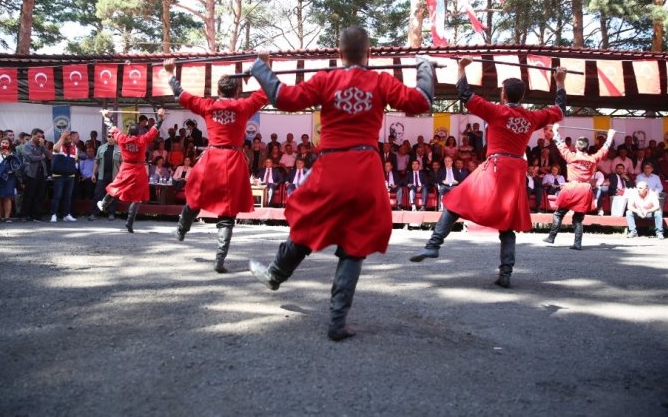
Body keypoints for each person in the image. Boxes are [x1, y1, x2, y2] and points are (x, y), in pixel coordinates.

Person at [247, 26, 434, 340]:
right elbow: (422, 100)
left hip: (331, 167)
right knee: (354, 245)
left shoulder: (325, 79)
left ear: (338, 53)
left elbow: (282, 97)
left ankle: (275, 275)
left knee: (308, 224)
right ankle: (337, 321)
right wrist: (424, 66)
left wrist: (260, 67)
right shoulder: (381, 81)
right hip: (365, 169)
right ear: (370, 54)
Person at [410, 57, 566, 289]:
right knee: (508, 224)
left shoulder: (497, 112)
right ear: (521, 97)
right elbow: (560, 110)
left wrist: (462, 67)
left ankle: (434, 245)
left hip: (496, 166)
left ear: (504, 95)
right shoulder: (532, 117)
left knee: (454, 201)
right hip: (516, 171)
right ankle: (506, 274)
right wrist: (560, 82)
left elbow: (465, 95)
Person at [165, 60, 268, 274]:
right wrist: (264, 65)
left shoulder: (208, 106)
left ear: (218, 90)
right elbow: (267, 90)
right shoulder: (243, 106)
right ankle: (219, 259)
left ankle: (182, 228)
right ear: (237, 90)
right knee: (227, 213)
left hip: (212, 158)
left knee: (195, 196)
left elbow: (180, 93)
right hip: (233, 159)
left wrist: (170, 72)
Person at [542, 125, 615, 250]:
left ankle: (551, 237)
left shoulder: (571, 156)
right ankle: (577, 243)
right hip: (584, 189)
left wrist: (555, 130)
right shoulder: (593, 159)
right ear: (587, 148)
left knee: (559, 214)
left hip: (572, 187)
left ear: (576, 146)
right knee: (578, 218)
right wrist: (610, 136)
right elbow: (604, 150)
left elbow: (560, 143)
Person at [97, 108, 166, 233]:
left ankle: (103, 204)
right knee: (137, 198)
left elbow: (112, 127)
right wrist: (160, 118)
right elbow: (154, 129)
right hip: (139, 170)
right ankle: (129, 223)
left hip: (126, 168)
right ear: (138, 132)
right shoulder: (142, 140)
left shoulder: (122, 139)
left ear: (128, 132)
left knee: (116, 187)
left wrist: (106, 116)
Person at [89, 134, 121, 221]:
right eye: (109, 136)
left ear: (115, 138)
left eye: (112, 137)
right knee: (98, 194)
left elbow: (122, 164)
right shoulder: (101, 148)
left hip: (114, 176)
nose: (110, 138)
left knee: (112, 195)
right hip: (102, 175)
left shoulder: (120, 149)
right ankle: (94, 214)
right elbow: (97, 161)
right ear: (106, 138)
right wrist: (93, 174)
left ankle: (111, 213)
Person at [50, 130, 79, 223]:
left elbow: (75, 161)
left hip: (70, 176)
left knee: (68, 196)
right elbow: (56, 149)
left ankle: (66, 214)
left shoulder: (75, 148)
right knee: (57, 196)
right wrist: (62, 137)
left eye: (70, 138)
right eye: (66, 138)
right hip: (58, 175)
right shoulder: (58, 146)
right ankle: (53, 214)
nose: (69, 140)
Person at [20, 128, 49, 222]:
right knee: (29, 194)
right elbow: (30, 158)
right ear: (33, 135)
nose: (40, 138)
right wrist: (41, 157)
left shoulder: (41, 145)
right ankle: (24, 215)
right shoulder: (27, 145)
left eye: (41, 137)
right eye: (38, 136)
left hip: (41, 172)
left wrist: (43, 146)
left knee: (40, 195)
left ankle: (37, 215)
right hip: (31, 172)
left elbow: (49, 155)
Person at [0, 137, 21, 223]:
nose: (4, 144)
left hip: (9, 177)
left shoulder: (13, 153)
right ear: (0, 143)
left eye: (6, 143)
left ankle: (7, 217)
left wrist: (9, 157)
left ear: (10, 144)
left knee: (7, 197)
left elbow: (17, 166)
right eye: (3, 142)